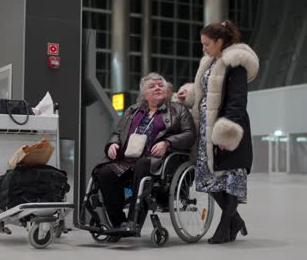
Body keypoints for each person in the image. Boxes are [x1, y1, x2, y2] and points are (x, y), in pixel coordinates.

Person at [177, 20, 259, 244]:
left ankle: (224, 227)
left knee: (230, 179)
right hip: (206, 130)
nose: (203, 48)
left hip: (228, 130)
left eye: (206, 44)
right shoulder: (209, 63)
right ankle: (235, 221)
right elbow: (206, 93)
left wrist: (226, 134)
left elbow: (237, 101)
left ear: (220, 42)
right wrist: (190, 95)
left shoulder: (235, 64)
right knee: (209, 181)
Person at [96, 72, 196, 236]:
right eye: (152, 86)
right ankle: (118, 223)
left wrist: (167, 143)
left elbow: (190, 134)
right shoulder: (132, 111)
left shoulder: (178, 110)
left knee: (142, 165)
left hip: (159, 162)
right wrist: (113, 143)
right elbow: (117, 132)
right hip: (127, 160)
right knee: (104, 172)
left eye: (160, 85)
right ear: (144, 94)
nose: (157, 87)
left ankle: (133, 222)